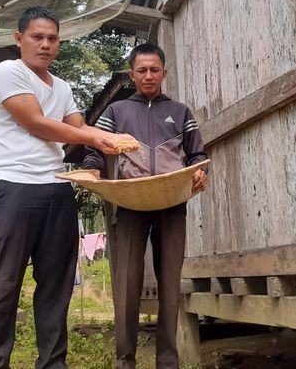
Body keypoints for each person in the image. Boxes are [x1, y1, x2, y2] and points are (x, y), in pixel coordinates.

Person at [0, 6, 137, 369]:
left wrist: (99, 138)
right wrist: (100, 138)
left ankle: (53, 364)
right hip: (13, 187)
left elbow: (75, 132)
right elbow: (38, 124)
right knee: (3, 285)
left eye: (52, 38)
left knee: (57, 286)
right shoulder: (8, 72)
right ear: (19, 40)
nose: (45, 44)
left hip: (57, 187)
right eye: (37, 37)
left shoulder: (62, 87)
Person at [82, 43, 208, 368]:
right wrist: (93, 168)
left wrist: (200, 172)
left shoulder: (181, 113)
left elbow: (197, 156)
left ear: (164, 73)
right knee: (127, 281)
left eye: (155, 70)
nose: (149, 75)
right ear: (131, 74)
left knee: (169, 283)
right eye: (142, 70)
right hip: (131, 202)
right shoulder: (117, 112)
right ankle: (125, 361)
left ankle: (168, 361)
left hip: (171, 202)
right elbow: (97, 147)